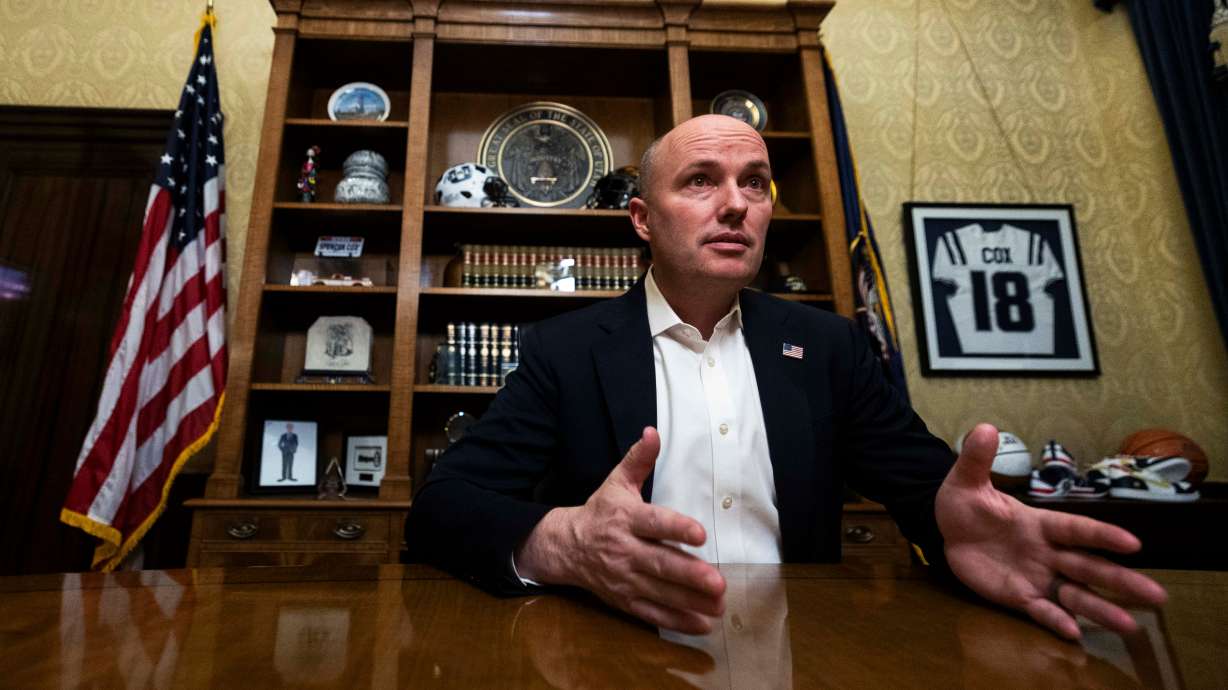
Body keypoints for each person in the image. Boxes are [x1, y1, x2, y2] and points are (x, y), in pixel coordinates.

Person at [407, 115, 1165, 640]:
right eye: (701, 181)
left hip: (805, 654)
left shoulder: (828, 346)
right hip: (618, 652)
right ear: (642, 219)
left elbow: (927, 489)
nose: (737, 204)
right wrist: (562, 542)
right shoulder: (563, 352)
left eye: (756, 183)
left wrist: (953, 519)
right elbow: (441, 510)